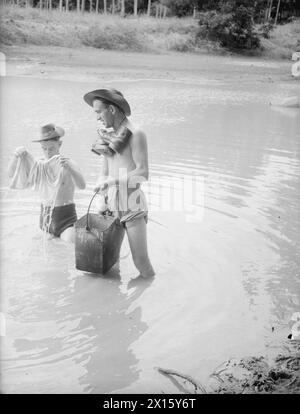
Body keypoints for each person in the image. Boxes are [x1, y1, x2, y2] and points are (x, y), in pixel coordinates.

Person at [83, 88, 155, 279]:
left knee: (141, 261)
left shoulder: (136, 133)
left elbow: (143, 173)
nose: (97, 117)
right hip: (110, 205)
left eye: (99, 112)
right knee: (108, 261)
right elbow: (103, 173)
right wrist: (101, 193)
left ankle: (149, 292)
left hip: (132, 204)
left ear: (112, 110)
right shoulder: (108, 135)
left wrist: (112, 182)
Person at [8, 123, 86, 242]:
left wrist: (70, 169)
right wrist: (16, 156)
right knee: (39, 245)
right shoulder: (39, 166)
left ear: (59, 144)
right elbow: (10, 174)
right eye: (44, 149)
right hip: (45, 220)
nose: (48, 153)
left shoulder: (68, 163)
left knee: (70, 243)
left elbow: (82, 186)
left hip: (66, 220)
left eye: (51, 148)